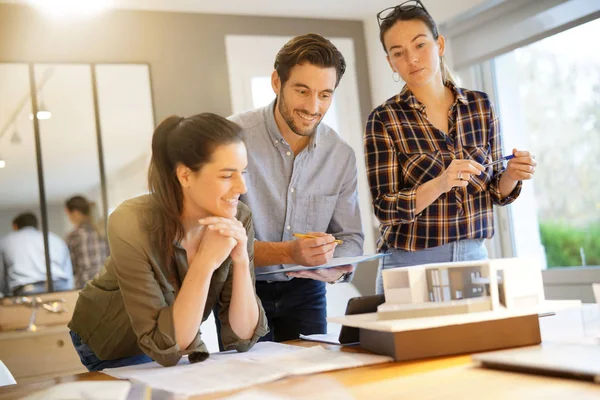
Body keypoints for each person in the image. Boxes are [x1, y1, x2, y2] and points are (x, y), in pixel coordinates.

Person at [68, 113, 268, 371]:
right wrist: (206, 261)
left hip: (177, 331)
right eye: (227, 175)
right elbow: (167, 348)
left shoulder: (238, 216)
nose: (242, 187)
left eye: (242, 172)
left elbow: (242, 337)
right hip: (115, 337)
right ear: (185, 176)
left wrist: (241, 261)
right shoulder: (130, 221)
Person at [364, 1, 537, 294]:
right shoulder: (384, 119)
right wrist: (440, 183)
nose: (412, 59)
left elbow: (495, 191)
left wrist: (511, 174)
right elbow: (384, 208)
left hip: (474, 260)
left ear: (439, 44)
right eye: (398, 53)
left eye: (420, 45)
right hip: (409, 265)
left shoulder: (480, 107)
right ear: (391, 62)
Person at [224, 33, 364, 343]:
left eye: (325, 95)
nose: (313, 107)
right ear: (277, 82)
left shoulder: (341, 156)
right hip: (242, 288)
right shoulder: (232, 136)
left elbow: (351, 239)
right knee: (249, 387)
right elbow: (216, 236)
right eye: (302, 91)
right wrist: (288, 252)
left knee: (311, 385)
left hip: (307, 293)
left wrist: (336, 267)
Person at [0, 212, 73, 296]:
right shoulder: (55, 238)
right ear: (36, 225)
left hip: (28, 289)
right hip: (60, 286)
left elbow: (1, 275)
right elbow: (67, 270)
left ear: (15, 226)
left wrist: (5, 296)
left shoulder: (6, 241)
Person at [65, 195, 109, 289]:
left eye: (68, 214)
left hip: (85, 285)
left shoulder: (74, 236)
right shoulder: (102, 232)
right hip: (107, 284)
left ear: (75, 212)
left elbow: (71, 267)